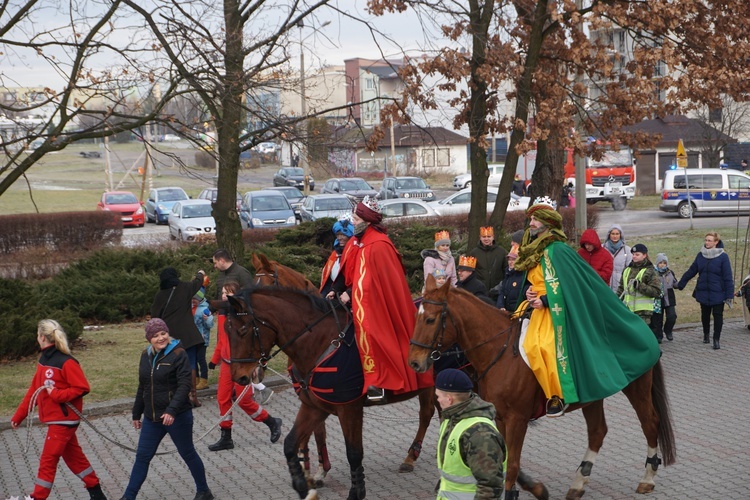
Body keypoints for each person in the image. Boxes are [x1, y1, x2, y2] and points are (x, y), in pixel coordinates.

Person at [514, 197, 660, 417]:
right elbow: (538, 281)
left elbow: (571, 286)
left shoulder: (558, 250)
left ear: (548, 223)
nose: (531, 223)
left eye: (536, 219)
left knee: (542, 346)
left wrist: (544, 300)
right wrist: (530, 291)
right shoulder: (533, 250)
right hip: (534, 306)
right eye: (531, 219)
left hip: (555, 310)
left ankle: (557, 395)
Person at [334, 196, 433, 402]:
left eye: (356, 218)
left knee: (371, 330)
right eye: (353, 217)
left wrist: (351, 294)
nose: (353, 222)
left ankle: (377, 380)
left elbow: (371, 282)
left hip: (375, 304)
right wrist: (337, 289)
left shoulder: (378, 245)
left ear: (367, 221)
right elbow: (348, 271)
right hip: (356, 299)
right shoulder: (356, 242)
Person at [11, 319, 107, 500]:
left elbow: (82, 388)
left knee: (48, 460)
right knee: (74, 458)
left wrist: (56, 395)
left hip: (63, 421)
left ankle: (37, 497)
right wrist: (19, 416)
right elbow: (34, 391)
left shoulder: (67, 362)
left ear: (41, 337)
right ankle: (96, 492)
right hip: (57, 421)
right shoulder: (44, 360)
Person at [121, 319, 213, 500]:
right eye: (155, 336)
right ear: (149, 339)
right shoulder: (145, 356)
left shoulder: (179, 354)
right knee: (142, 457)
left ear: (168, 333)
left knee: (187, 453)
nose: (160, 338)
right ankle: (128, 497)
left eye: (163, 333)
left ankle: (204, 491)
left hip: (177, 416)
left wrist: (171, 411)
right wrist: (136, 413)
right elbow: (143, 386)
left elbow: (185, 385)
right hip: (152, 418)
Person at [207, 282, 282, 451]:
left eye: (229, 293)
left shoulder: (244, 316)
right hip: (227, 364)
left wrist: (258, 364)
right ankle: (226, 436)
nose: (225, 296)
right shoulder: (222, 314)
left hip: (241, 364)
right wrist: (215, 359)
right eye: (223, 293)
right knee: (222, 399)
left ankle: (271, 421)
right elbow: (221, 341)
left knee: (244, 401)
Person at [434, 369, 505, 500]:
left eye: (438, 396)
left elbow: (490, 486)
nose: (437, 400)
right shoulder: (452, 418)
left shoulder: (480, 434)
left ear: (449, 399)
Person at [150, 267, 206, 408]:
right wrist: (200, 273)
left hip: (170, 337)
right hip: (189, 335)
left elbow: (155, 317)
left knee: (173, 366)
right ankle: (192, 395)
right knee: (191, 364)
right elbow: (197, 283)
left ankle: (176, 396)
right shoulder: (185, 288)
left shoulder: (160, 295)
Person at [676, 232, 734, 349]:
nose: (707, 242)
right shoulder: (700, 255)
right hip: (703, 291)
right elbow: (692, 270)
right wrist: (680, 284)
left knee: (718, 315)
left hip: (718, 292)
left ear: (716, 242)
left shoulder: (723, 257)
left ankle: (716, 339)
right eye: (706, 240)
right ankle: (706, 335)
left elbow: (728, 277)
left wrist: (729, 295)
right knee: (705, 315)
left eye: (709, 240)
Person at [617, 244, 662, 335]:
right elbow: (621, 289)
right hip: (627, 310)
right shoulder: (627, 270)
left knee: (642, 335)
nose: (634, 256)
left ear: (644, 255)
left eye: (637, 254)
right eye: (633, 254)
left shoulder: (650, 271)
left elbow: (657, 292)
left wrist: (640, 286)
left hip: (643, 313)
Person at [468, 226, 507, 299]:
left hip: (497, 291)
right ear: (480, 237)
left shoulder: (501, 252)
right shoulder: (474, 253)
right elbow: (470, 272)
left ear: (493, 237)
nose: (486, 239)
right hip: (480, 292)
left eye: (489, 236)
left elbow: (506, 270)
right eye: (484, 237)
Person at [321, 218, 355, 296]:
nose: (339, 238)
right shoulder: (335, 253)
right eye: (338, 235)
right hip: (332, 290)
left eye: (343, 235)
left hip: (346, 293)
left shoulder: (353, 253)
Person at [652, 253, 678, 342]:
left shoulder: (670, 273)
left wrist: (680, 284)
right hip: (658, 298)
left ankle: (668, 330)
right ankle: (658, 336)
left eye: (664, 263)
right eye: (660, 263)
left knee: (672, 316)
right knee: (657, 318)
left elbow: (675, 283)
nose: (662, 265)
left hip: (669, 297)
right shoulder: (653, 273)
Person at [495, 243, 528, 313]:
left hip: (519, 313)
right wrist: (500, 306)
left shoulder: (524, 275)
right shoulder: (507, 274)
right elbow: (502, 292)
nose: (510, 262)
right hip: (507, 313)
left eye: (513, 259)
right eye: (509, 260)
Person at [192, 289, 213, 391]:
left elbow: (210, 324)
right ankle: (195, 379)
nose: (193, 301)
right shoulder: (192, 307)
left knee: (201, 359)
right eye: (192, 299)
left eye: (195, 299)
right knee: (193, 359)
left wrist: (207, 319)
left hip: (202, 339)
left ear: (199, 299)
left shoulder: (205, 309)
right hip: (192, 338)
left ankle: (204, 380)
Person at [602, 224, 632, 293]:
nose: (615, 236)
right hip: (605, 284)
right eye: (613, 234)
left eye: (617, 234)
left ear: (620, 235)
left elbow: (629, 269)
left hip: (620, 286)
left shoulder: (627, 250)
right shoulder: (602, 248)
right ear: (609, 234)